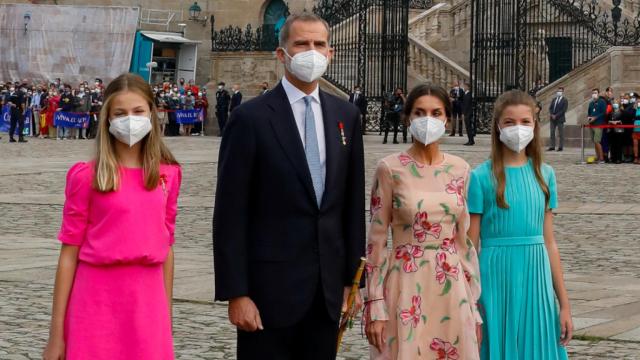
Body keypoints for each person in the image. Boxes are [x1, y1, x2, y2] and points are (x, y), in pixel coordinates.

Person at [213, 14, 365, 360]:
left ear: (331, 53)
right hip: (268, 295)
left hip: (325, 293)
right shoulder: (250, 118)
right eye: (301, 44)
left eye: (318, 45)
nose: (311, 52)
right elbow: (230, 212)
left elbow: (351, 205)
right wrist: (237, 292)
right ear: (282, 54)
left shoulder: (346, 116)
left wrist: (352, 283)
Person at [42, 73, 181, 360]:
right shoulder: (86, 176)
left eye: (138, 111)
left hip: (147, 302)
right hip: (96, 300)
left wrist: (165, 317)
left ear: (152, 114)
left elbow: (167, 249)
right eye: (120, 113)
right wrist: (56, 334)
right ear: (107, 118)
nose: (130, 119)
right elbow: (69, 255)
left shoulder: (168, 174)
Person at [364, 83, 482, 359]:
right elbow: (376, 241)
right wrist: (375, 303)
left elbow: (463, 241)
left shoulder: (461, 169)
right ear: (407, 118)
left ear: (447, 119)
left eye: (435, 113)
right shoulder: (389, 168)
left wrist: (473, 303)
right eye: (419, 113)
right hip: (405, 282)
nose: (427, 119)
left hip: (452, 285)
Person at [467, 90, 572, 360]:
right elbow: (468, 247)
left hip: (536, 276)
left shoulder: (545, 175)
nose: (518, 128)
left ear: (535, 125)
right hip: (494, 276)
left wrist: (564, 304)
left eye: (525, 122)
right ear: (498, 126)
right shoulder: (480, 177)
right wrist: (467, 302)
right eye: (510, 122)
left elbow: (550, 242)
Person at [588, 88, 607, 163]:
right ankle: (598, 156)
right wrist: (589, 117)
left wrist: (595, 118)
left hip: (599, 124)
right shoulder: (591, 103)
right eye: (593, 93)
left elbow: (603, 112)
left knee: (597, 140)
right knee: (594, 141)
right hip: (592, 124)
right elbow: (589, 112)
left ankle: (601, 158)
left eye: (595, 93)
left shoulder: (602, 102)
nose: (594, 94)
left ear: (598, 93)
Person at [548, 87, 568, 151]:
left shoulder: (565, 100)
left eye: (561, 91)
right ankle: (552, 146)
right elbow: (550, 108)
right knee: (552, 132)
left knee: (560, 133)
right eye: (558, 91)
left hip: (560, 119)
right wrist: (551, 114)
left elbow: (564, 110)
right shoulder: (554, 99)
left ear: (562, 92)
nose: (559, 92)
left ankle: (560, 147)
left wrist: (556, 115)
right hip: (552, 119)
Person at [633, 98, 640, 164]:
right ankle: (636, 157)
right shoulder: (634, 109)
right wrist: (634, 108)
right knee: (635, 144)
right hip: (635, 129)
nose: (638, 102)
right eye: (637, 101)